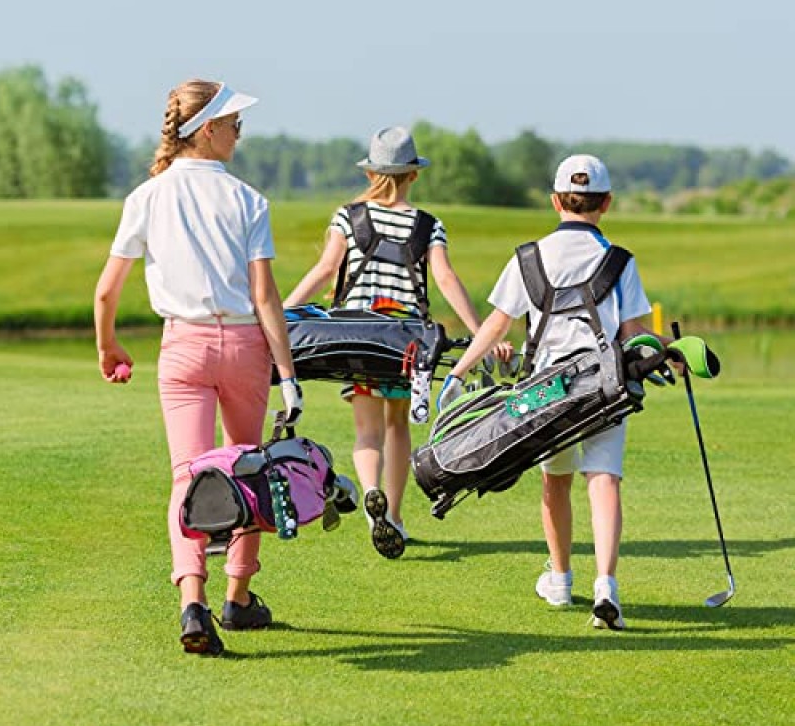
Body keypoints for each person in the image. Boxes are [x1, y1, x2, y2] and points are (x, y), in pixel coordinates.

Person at [94, 79, 303, 656]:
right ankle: (237, 598)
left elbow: (107, 292)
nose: (241, 132)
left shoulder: (147, 195)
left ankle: (193, 601)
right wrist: (288, 376)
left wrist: (107, 346)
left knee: (188, 474)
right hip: (243, 348)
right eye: (234, 122)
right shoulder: (248, 200)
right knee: (248, 467)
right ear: (207, 129)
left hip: (181, 347)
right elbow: (265, 299)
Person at [438, 153, 672, 630]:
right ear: (606, 203)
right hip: (605, 385)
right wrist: (672, 352)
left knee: (555, 482)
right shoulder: (620, 261)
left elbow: (496, 325)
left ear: (555, 201)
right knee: (603, 480)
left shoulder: (529, 257)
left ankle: (561, 579)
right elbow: (634, 334)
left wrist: (459, 372)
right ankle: (606, 585)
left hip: (543, 391)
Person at [283, 126, 510, 558]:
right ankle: (397, 518)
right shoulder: (428, 225)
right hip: (404, 344)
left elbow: (325, 270)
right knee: (398, 425)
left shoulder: (346, 216)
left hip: (355, 337)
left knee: (366, 430)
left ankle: (373, 503)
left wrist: (281, 315)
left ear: (371, 173)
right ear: (413, 175)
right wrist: (482, 331)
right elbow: (444, 278)